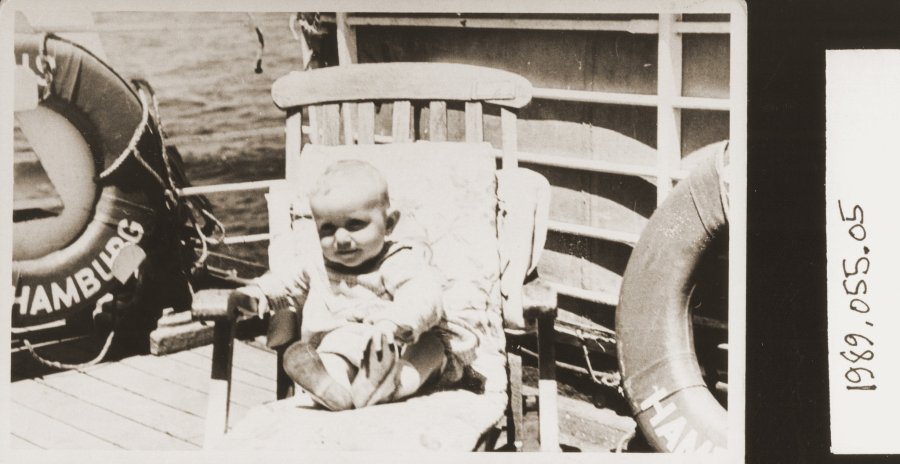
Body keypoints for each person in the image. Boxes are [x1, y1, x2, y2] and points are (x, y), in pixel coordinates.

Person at [231, 160, 464, 411]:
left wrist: (393, 324)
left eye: (355, 224)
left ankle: (392, 384)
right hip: (340, 346)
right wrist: (257, 292)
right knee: (330, 358)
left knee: (431, 348)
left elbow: (422, 295)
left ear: (389, 224)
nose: (341, 239)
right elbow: (283, 282)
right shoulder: (315, 263)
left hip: (397, 344)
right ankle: (335, 391)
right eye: (328, 229)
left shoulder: (399, 260)